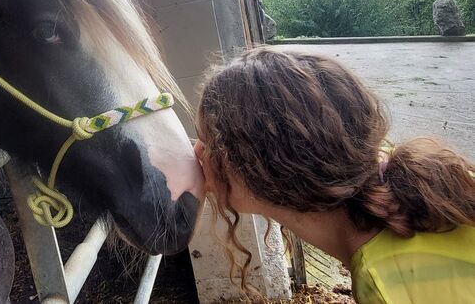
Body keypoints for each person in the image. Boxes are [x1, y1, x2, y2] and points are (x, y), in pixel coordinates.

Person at [193, 48, 475, 303]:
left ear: (259, 168)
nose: (195, 151)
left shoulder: (386, 287)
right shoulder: (409, 183)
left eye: (205, 142)